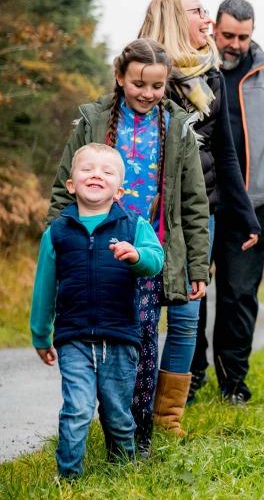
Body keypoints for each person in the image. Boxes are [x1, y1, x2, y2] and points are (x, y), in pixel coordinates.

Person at [50, 38, 211, 455]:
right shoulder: (92, 121)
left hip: (145, 256)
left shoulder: (177, 127)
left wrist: (197, 267)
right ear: (120, 77)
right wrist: (56, 241)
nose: (147, 93)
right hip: (91, 253)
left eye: (157, 86)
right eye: (138, 83)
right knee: (93, 345)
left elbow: (194, 203)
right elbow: (61, 190)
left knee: (138, 346)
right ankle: (90, 424)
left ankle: (135, 437)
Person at [137, 0, 260, 406]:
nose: (207, 19)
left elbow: (225, 150)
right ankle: (134, 408)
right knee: (145, 312)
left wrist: (246, 214)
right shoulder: (146, 77)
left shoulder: (210, 76)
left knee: (188, 313)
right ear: (174, 18)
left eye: (206, 10)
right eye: (198, 11)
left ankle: (171, 413)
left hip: (199, 211)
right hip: (148, 214)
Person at [192, 0, 264, 404]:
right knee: (192, 292)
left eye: (243, 36)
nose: (234, 43)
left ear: (251, 34)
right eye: (228, 35)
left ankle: (232, 384)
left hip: (252, 206)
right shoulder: (195, 73)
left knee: (239, 296)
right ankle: (191, 376)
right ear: (214, 31)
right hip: (200, 204)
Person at [32, 144, 165, 478]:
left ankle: (122, 474)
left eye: (106, 171)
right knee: (77, 409)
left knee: (118, 412)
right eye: (87, 169)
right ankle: (68, 478)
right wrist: (40, 334)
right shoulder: (57, 232)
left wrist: (136, 256)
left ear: (118, 190)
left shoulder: (133, 226)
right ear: (72, 184)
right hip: (73, 337)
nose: (96, 175)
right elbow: (45, 288)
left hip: (120, 337)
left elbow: (156, 260)